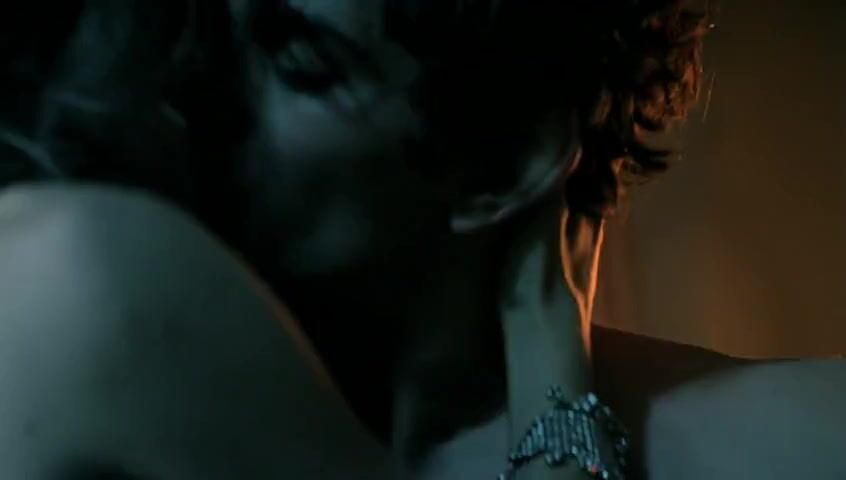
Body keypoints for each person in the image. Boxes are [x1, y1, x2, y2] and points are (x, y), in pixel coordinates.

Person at [0, 1, 843, 479]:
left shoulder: (795, 438)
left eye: (299, 63)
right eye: (212, 32)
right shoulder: (84, 330)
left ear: (503, 163)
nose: (194, 94)